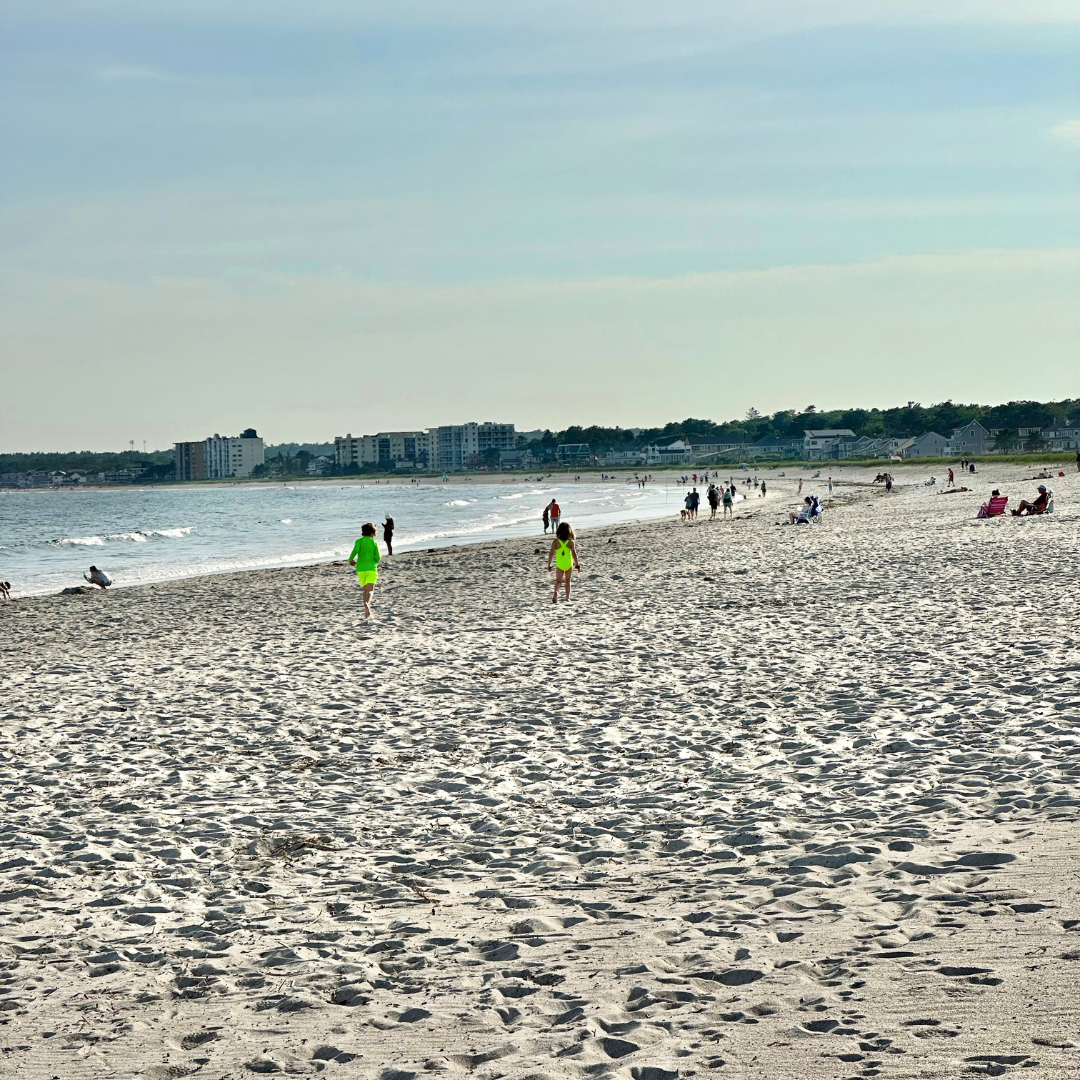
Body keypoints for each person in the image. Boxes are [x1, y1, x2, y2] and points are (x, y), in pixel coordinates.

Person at [348, 523, 381, 618]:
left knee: (365, 589)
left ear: (362, 532)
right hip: (371, 568)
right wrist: (373, 560)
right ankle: (368, 604)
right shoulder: (374, 543)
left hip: (361, 568)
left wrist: (350, 560)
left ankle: (365, 608)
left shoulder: (359, 541)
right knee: (370, 590)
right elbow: (377, 557)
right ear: (373, 533)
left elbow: (355, 551)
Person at [547, 521, 580, 603]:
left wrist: (549, 564)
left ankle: (556, 592)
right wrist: (577, 564)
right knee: (568, 582)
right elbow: (574, 554)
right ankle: (567, 598)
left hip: (560, 564)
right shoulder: (571, 542)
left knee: (558, 581)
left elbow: (551, 553)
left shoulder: (556, 541)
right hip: (568, 564)